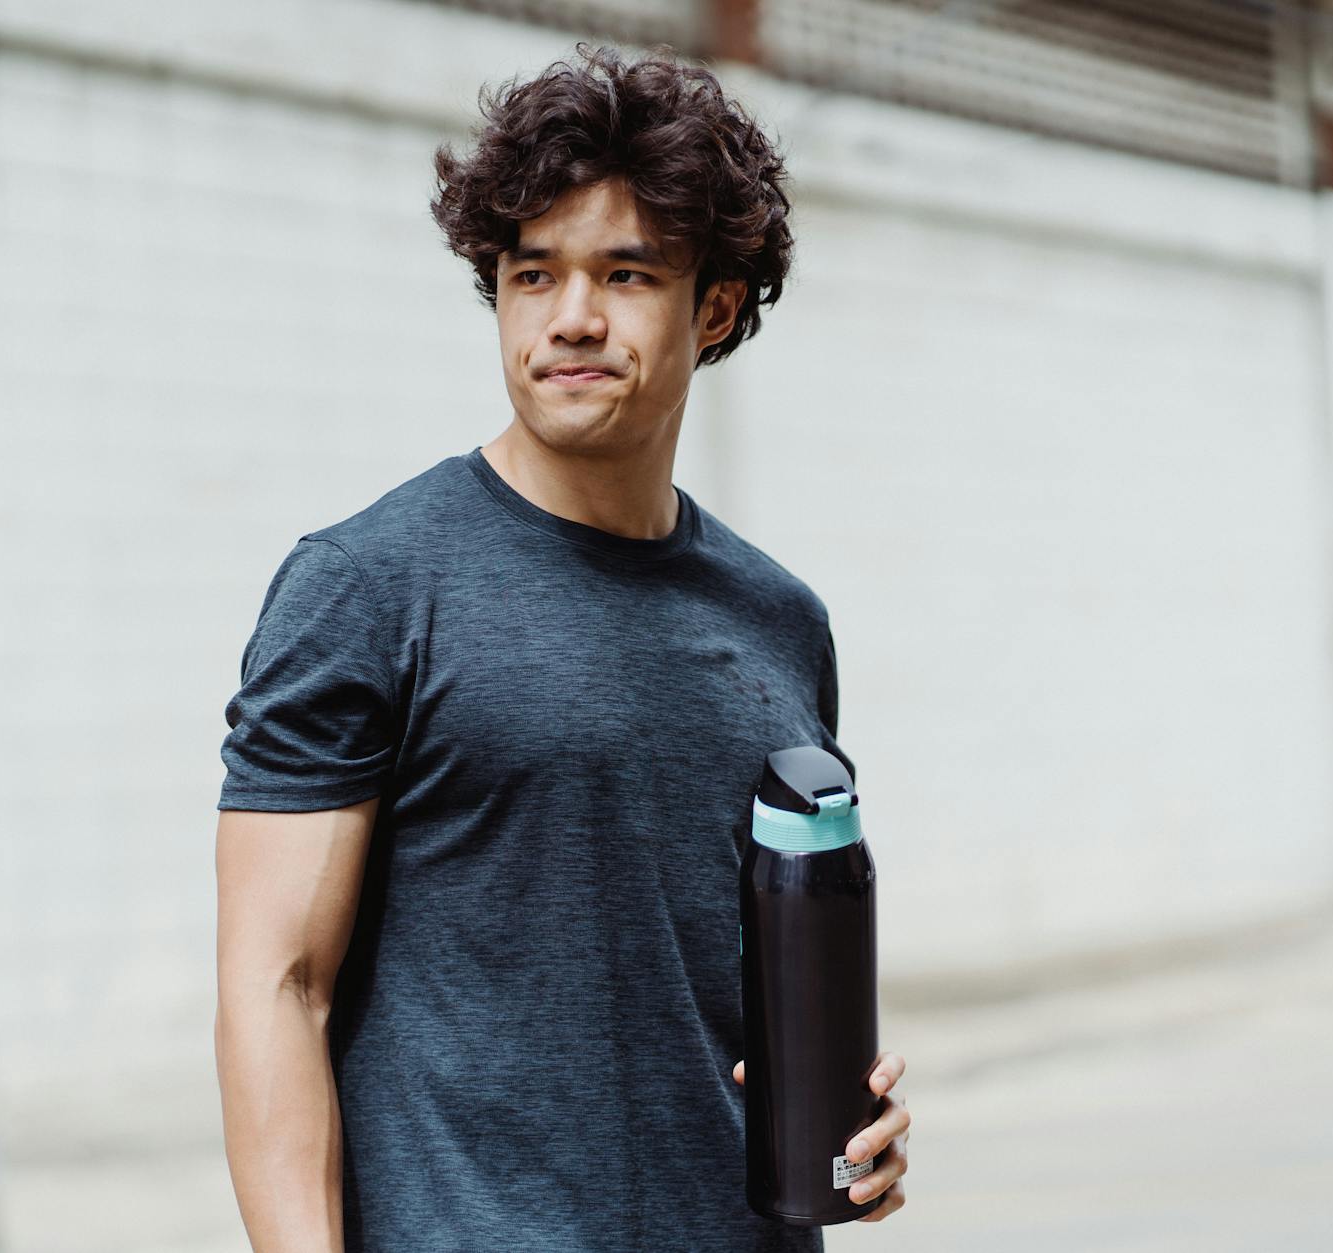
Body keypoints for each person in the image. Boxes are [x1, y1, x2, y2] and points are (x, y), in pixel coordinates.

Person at [213, 42, 909, 1252]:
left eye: (625, 272)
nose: (570, 319)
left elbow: (747, 974)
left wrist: (854, 1120)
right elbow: (275, 986)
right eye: (531, 276)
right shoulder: (368, 586)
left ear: (715, 307)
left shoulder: (778, 618)